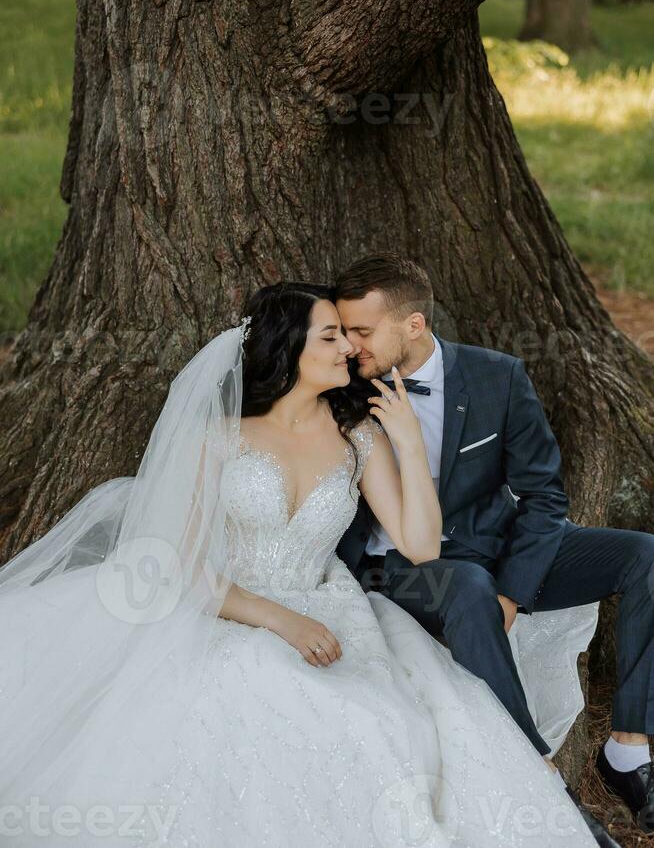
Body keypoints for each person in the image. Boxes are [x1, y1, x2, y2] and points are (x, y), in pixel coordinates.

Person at [0, 282, 602, 847]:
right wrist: (279, 620)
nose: (350, 348)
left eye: (347, 333)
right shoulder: (215, 437)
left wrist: (410, 445)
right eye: (331, 336)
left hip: (330, 606)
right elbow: (173, 564)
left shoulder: (358, 435)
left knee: (378, 724)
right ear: (288, 349)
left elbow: (420, 546)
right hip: (222, 607)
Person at [335, 252, 654, 842]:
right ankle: (538, 771)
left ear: (414, 324)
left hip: (497, 549)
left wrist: (516, 589)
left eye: (361, 330)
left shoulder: (496, 375)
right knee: (467, 586)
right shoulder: (340, 390)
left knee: (646, 555)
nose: (350, 345)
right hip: (395, 566)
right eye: (344, 330)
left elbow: (543, 495)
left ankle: (629, 751)